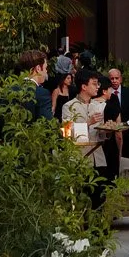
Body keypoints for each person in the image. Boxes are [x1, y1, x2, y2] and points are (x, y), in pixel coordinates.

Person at [63, 69, 108, 205]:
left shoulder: (97, 106)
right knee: (82, 198)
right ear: (84, 86)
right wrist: (88, 122)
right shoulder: (69, 106)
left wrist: (108, 130)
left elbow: (100, 135)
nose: (98, 87)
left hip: (98, 158)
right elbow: (67, 133)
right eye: (94, 84)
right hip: (80, 159)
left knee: (99, 198)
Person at [17, 50, 53, 120]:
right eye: (46, 68)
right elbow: (47, 125)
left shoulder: (6, 91)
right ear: (38, 68)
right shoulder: (42, 94)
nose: (46, 71)